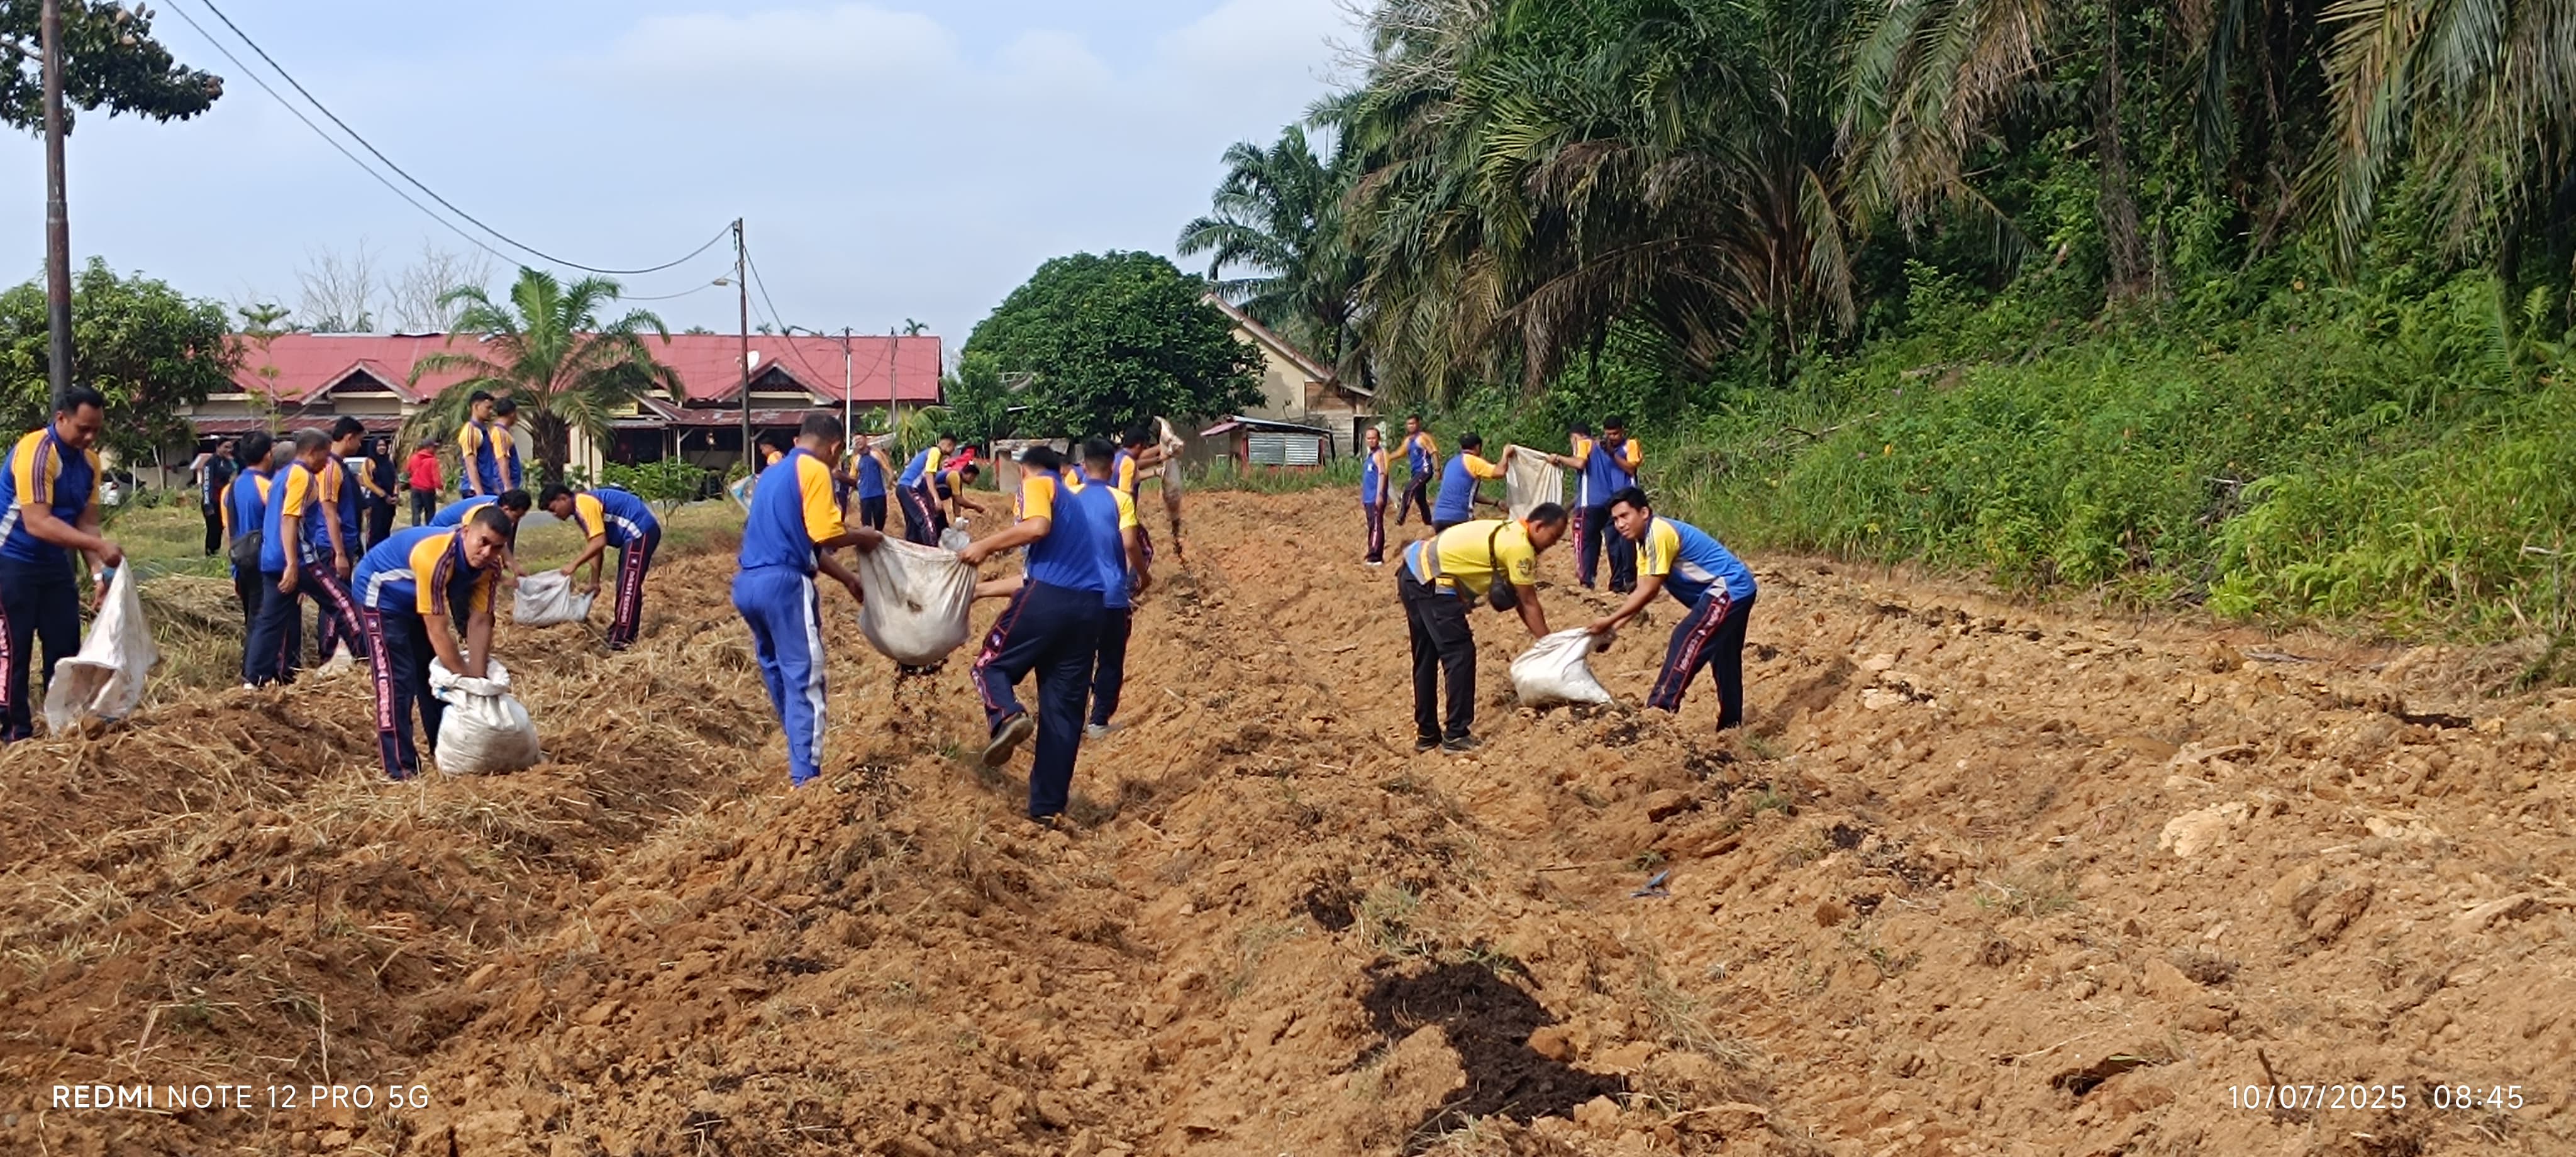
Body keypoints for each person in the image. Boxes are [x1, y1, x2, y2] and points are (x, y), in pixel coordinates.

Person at [958, 445, 1115, 823]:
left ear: (1025, 470)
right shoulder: (1071, 504)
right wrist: (979, 591)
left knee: (990, 667)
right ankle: (1047, 808)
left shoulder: (1037, 484)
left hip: (1052, 600)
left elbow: (1035, 528)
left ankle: (1008, 715)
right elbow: (1034, 576)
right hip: (1089, 607)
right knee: (1063, 710)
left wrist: (983, 545)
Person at [733, 412, 880, 788]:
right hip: (785, 586)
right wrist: (863, 536)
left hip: (748, 584)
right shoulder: (816, 471)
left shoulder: (771, 476)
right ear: (834, 448)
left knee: (777, 669)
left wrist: (847, 578)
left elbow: (805, 542)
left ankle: (796, 746)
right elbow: (827, 533)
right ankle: (807, 778)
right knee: (805, 676)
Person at [0, 387, 125, 741]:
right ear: (61, 418)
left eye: (96, 430)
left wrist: (100, 571)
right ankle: (15, 735)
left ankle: (62, 728)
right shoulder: (37, 452)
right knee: (14, 652)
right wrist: (98, 545)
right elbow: (37, 522)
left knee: (65, 648)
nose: (89, 437)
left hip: (54, 566)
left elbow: (87, 522)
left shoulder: (90, 463)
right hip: (11, 562)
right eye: (83, 428)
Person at [350, 511, 512, 780]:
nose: (486, 552)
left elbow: (481, 622)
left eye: (496, 547)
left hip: (417, 600)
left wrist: (479, 678)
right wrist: (464, 680)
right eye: (482, 542)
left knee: (432, 679)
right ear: (465, 531)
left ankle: (447, 754)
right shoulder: (437, 558)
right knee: (396, 679)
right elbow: (438, 631)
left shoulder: (490, 569)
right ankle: (400, 769)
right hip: (381, 596)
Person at [1396, 504, 1569, 752]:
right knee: (1460, 653)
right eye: (1552, 538)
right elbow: (1528, 602)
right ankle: (1456, 734)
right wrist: (1552, 647)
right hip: (1432, 581)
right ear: (1538, 526)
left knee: (1426, 656)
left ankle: (1427, 734)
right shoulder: (1520, 547)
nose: (1551, 545)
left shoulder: (1510, 530)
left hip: (1412, 571)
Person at [1589, 487, 1759, 729]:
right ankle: (1731, 726)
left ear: (1644, 512)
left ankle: (1660, 709)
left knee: (1686, 637)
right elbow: (1643, 589)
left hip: (1729, 587)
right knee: (1724, 656)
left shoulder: (1659, 533)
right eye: (1615, 519)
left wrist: (1609, 621)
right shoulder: (1644, 543)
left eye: (1625, 516)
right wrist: (1614, 628)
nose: (1620, 524)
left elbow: (1650, 590)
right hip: (1737, 588)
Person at [246, 429, 365, 687]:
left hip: (270, 560)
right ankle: (367, 657)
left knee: (270, 620)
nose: (327, 462)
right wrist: (292, 565)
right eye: (325, 455)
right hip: (300, 560)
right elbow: (290, 520)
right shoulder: (303, 475)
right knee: (343, 603)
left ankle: (254, 679)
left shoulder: (280, 476)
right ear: (313, 452)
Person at [1076, 439, 1151, 741]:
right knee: (1109, 659)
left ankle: (1070, 719)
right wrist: (1144, 577)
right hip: (1110, 595)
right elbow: (1130, 544)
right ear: (1111, 468)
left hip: (1074, 594)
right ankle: (1098, 721)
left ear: (1083, 467)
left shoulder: (1068, 497)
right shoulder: (1121, 500)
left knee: (1075, 659)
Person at [540, 483, 663, 650]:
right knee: (626, 584)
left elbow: (599, 542)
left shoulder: (584, 504)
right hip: (634, 537)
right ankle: (620, 630)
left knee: (629, 586)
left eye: (554, 509)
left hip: (640, 533)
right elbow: (596, 547)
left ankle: (623, 639)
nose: (555, 514)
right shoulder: (580, 510)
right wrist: (595, 582)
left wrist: (574, 565)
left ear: (563, 498)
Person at [313, 418, 369, 665]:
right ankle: (328, 649)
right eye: (359, 439)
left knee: (340, 597)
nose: (359, 445)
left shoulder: (340, 467)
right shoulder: (330, 468)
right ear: (349, 437)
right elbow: (329, 511)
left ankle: (339, 646)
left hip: (344, 542)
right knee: (334, 599)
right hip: (332, 545)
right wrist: (339, 552)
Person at [1568, 418, 1642, 592]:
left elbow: (1631, 469)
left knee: (1627, 541)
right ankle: (1617, 582)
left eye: (1615, 434)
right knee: (1613, 543)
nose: (1612, 438)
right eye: (1609, 434)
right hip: (1611, 501)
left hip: (1629, 499)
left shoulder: (1629, 446)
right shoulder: (1600, 448)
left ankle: (1629, 579)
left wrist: (1613, 454)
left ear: (1622, 431)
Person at [222, 431, 279, 637]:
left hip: (241, 562)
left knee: (251, 622)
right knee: (265, 625)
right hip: (265, 564)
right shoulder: (269, 487)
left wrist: (234, 570)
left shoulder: (230, 488)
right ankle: (257, 668)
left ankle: (249, 665)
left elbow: (229, 531)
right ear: (268, 455)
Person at [1430, 433, 1509, 532]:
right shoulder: (1473, 461)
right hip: (1458, 519)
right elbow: (1500, 472)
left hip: (1438, 518)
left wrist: (1496, 502)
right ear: (1478, 447)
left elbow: (1467, 494)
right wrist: (1506, 454)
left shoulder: (1451, 462)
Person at [894, 435, 958, 546]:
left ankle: (913, 549)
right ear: (949, 444)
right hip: (910, 487)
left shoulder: (930, 454)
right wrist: (936, 499)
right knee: (927, 521)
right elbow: (929, 476)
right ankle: (932, 551)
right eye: (953, 448)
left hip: (903, 488)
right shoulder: (935, 452)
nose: (952, 452)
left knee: (914, 525)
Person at [194, 439, 237, 556]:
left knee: (222, 529)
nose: (229, 450)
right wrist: (208, 504)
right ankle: (210, 555)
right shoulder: (211, 462)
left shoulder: (229, 462)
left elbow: (236, 472)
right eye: (226, 447)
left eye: (231, 447)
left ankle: (217, 552)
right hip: (213, 500)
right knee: (213, 530)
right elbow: (207, 483)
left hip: (224, 501)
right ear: (218, 447)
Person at [455, 391, 501, 499]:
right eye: (488, 408)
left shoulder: (483, 430)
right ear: (476, 407)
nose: (491, 412)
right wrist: (480, 495)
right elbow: (471, 465)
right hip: (474, 491)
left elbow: (486, 463)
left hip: (487, 488)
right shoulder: (470, 432)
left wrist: (495, 488)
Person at [1394, 415, 1438, 526]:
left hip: (1425, 470)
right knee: (1419, 498)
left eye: (1413, 424)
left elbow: (1433, 452)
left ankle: (1402, 516)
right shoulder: (1408, 441)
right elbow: (1400, 453)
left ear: (1418, 424)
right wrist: (1387, 458)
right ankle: (1429, 522)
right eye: (1409, 424)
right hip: (1416, 473)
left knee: (1409, 489)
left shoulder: (1422, 437)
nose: (1411, 426)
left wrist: (1437, 469)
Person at [1360, 426, 1391, 565]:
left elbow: (1382, 474)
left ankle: (1376, 556)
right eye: (1369, 438)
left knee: (1377, 525)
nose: (1371, 441)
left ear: (1378, 439)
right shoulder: (1369, 456)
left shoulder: (1379, 454)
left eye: (1374, 438)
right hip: (1368, 497)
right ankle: (1372, 550)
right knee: (1372, 525)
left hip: (1375, 497)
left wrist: (1380, 494)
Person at [851, 436, 894, 533]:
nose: (858, 441)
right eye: (856, 440)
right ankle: (870, 544)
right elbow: (853, 477)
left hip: (879, 493)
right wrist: (850, 494)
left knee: (880, 519)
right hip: (865, 496)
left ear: (866, 440)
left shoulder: (875, 454)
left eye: (860, 439)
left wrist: (889, 484)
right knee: (866, 524)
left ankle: (880, 540)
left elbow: (887, 469)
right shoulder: (856, 459)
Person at [430, 489, 531, 529]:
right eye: (516, 517)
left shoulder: (496, 504)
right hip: (441, 530)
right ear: (506, 509)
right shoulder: (487, 510)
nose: (517, 521)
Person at [362, 437, 399, 547]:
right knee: (375, 531)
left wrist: (395, 495)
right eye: (379, 446)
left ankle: (384, 555)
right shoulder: (369, 462)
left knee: (386, 530)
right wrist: (384, 496)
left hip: (390, 503)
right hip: (376, 501)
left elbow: (395, 480)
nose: (382, 448)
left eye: (384, 445)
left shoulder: (389, 462)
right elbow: (368, 482)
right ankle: (373, 556)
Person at [490, 397, 526, 493]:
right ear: (512, 414)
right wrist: (507, 485)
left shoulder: (502, 432)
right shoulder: (500, 433)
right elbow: (502, 460)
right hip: (503, 485)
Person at [403, 440, 442, 525]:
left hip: (415, 488)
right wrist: (440, 487)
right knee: (430, 512)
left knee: (416, 512)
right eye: (434, 447)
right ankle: (429, 531)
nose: (436, 449)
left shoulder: (414, 457)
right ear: (428, 447)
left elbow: (408, 471)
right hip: (428, 489)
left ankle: (416, 531)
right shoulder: (432, 460)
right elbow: (436, 477)